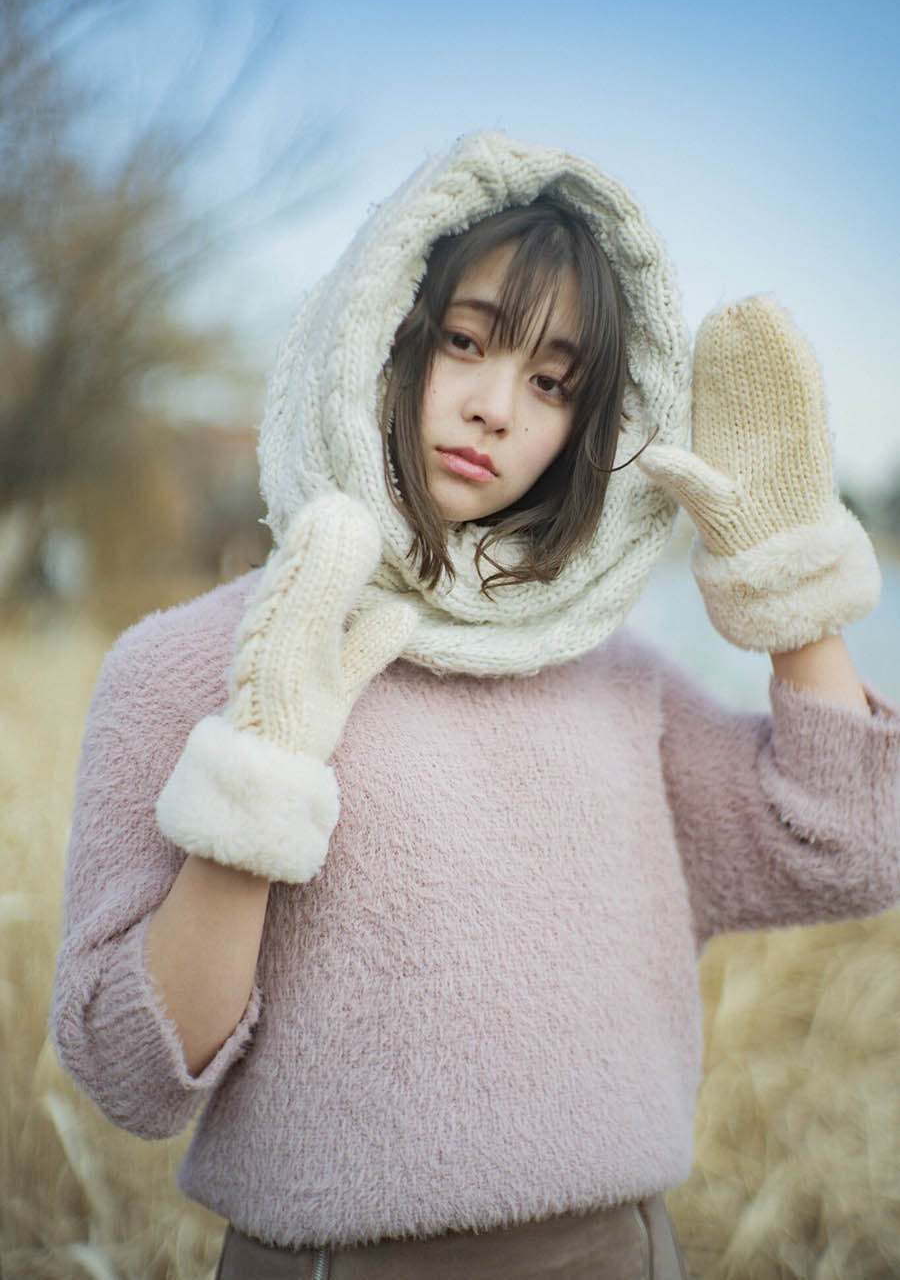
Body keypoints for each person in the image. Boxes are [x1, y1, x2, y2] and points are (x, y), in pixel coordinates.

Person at [51, 132, 900, 1279]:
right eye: (465, 342)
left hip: (618, 1249)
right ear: (380, 328)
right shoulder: (184, 666)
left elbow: (849, 849)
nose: (498, 407)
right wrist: (257, 783)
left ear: (588, 430)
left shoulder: (619, 682)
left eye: (554, 383)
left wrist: (794, 589)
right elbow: (128, 1076)